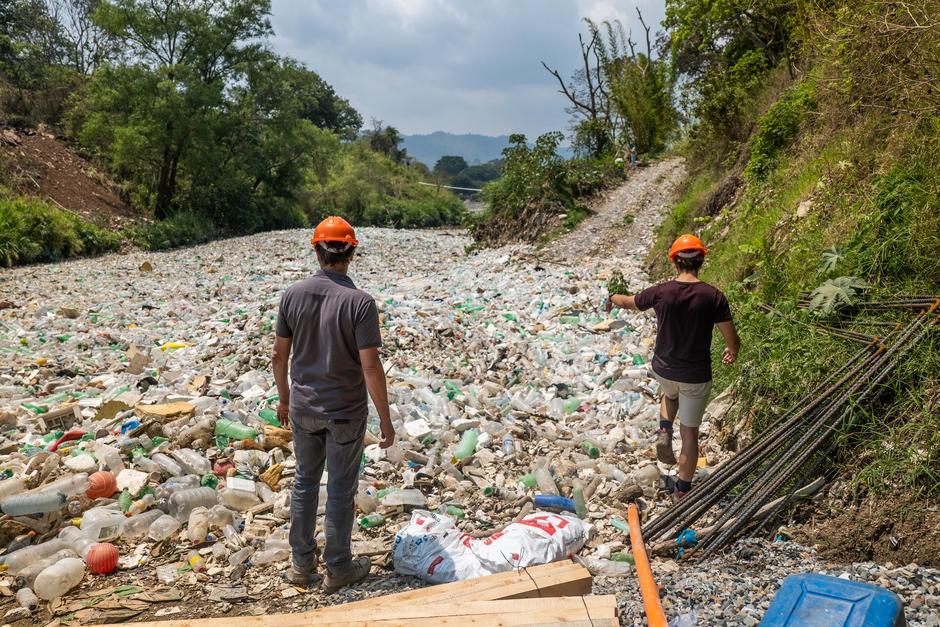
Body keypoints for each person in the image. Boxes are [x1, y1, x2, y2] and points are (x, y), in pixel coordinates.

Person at [272, 216, 396, 592]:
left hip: (303, 408)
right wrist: (385, 420)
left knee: (304, 484)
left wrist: (284, 398)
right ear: (352, 252)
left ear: (316, 249)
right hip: (345, 412)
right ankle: (338, 567)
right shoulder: (360, 303)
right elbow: (370, 365)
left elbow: (279, 356)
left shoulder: (292, 294)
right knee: (341, 489)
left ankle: (301, 567)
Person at [607, 234, 740, 499]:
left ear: (674, 262)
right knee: (689, 434)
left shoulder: (660, 292)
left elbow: (630, 302)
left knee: (669, 394)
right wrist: (732, 351)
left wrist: (612, 295)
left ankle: (664, 429)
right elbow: (731, 338)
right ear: (701, 260)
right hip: (695, 375)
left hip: (664, 369)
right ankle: (682, 490)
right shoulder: (713, 297)